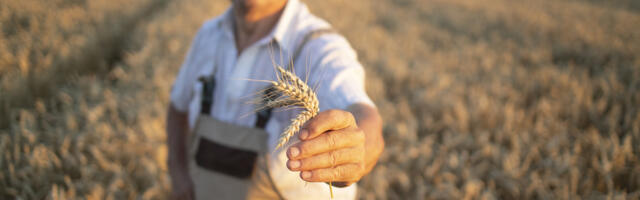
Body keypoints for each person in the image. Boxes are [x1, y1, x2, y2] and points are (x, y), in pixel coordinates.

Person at [166, 0, 384, 199]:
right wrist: (178, 175)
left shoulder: (320, 46)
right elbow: (177, 108)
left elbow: (361, 114)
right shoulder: (208, 35)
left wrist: (357, 145)